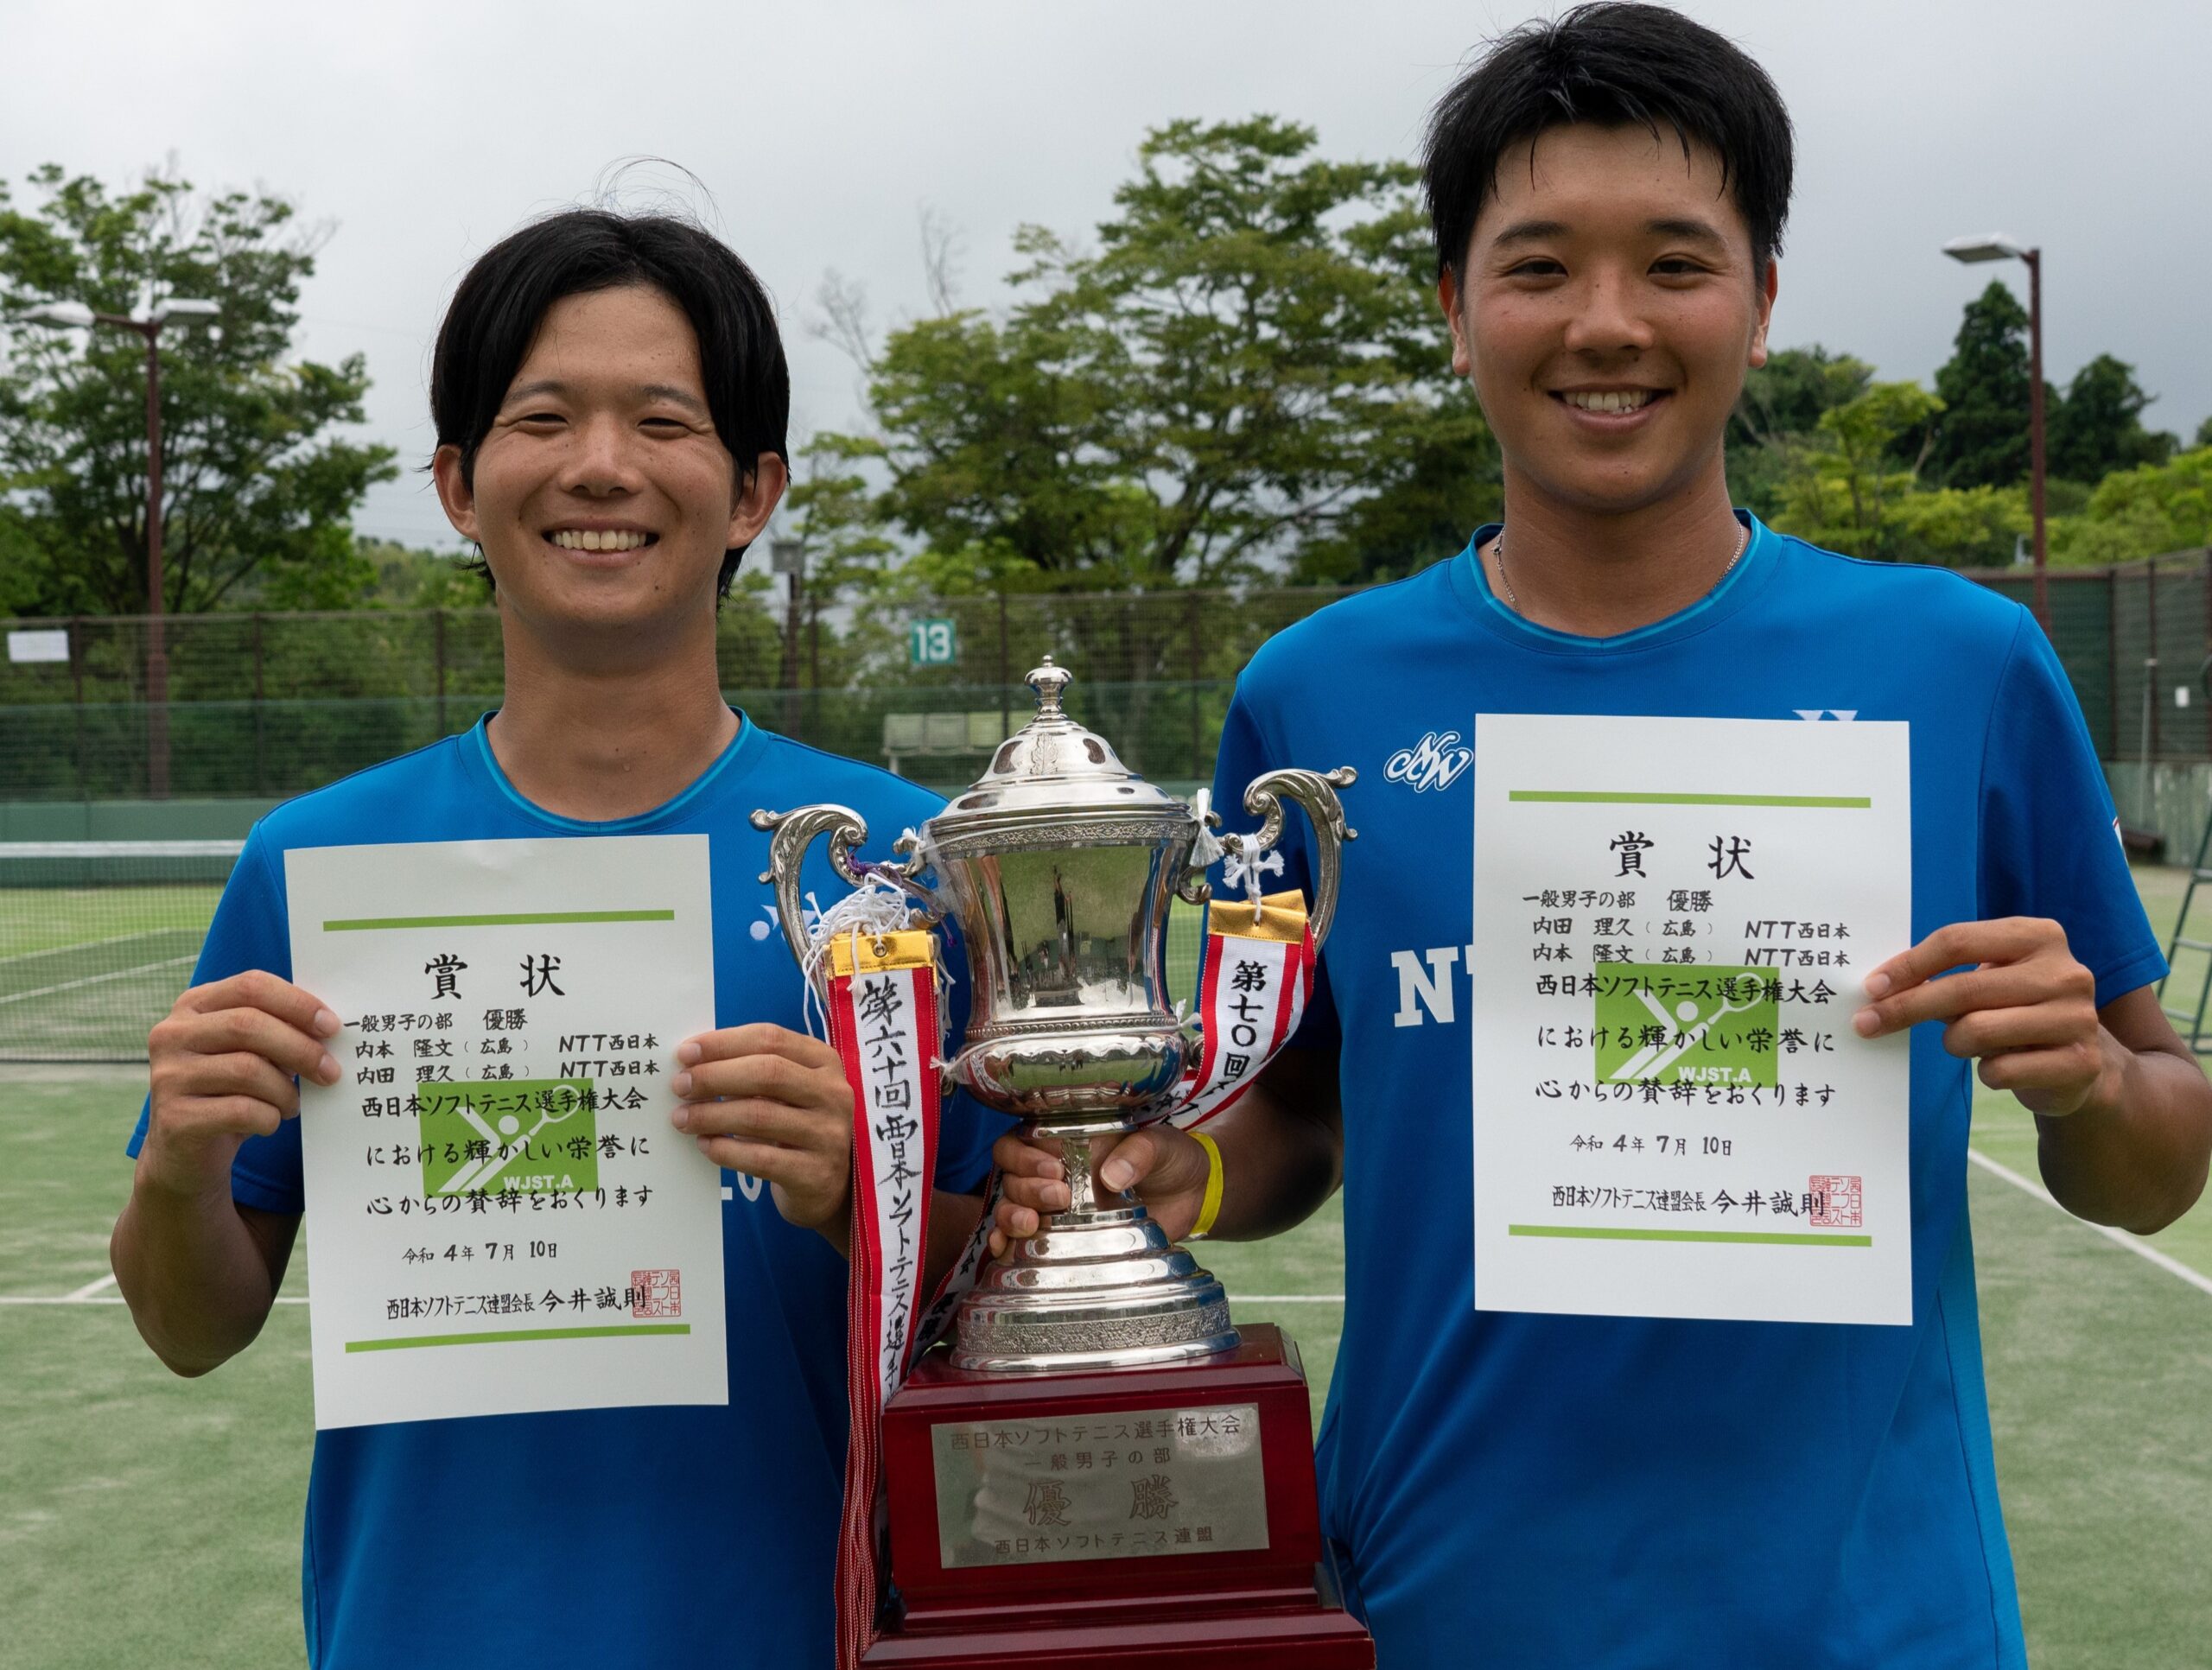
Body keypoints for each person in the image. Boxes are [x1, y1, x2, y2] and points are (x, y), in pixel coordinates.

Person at [988, 7, 2212, 1665]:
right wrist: (1167, 1171)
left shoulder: (1959, 664)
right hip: (1435, 1610)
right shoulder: (1317, 699)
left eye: (1677, 263)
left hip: (1870, 1622)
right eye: (1541, 264)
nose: (1609, 324)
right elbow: (1296, 1108)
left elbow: (2159, 1153)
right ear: (1455, 307)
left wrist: (2083, 1081)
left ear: (1764, 302)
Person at [110, 210, 1003, 1670]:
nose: (601, 466)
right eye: (544, 418)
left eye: (663, 420)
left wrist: (868, 1196)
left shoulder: (908, 867)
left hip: (824, 1632)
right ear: (461, 484)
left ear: (754, 488)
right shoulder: (312, 866)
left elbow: (1018, 1297)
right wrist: (182, 1158)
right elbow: (190, 1325)